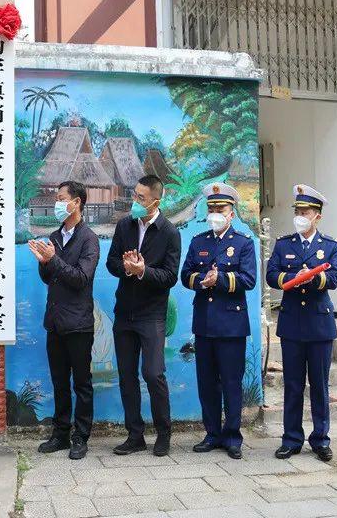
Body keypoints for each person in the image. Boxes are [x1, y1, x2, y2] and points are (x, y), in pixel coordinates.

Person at [106, 175, 181, 457]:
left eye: (140, 198)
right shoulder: (124, 225)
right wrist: (126, 268)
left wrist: (143, 271)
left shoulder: (169, 232)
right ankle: (135, 435)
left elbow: (170, 277)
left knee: (152, 373)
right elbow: (111, 261)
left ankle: (164, 433)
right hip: (124, 311)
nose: (134, 201)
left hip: (152, 314)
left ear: (155, 201)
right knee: (126, 375)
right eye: (134, 195)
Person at [266, 184, 337, 462]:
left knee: (319, 386)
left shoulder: (330, 245)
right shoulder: (284, 243)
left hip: (319, 325)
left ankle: (321, 439)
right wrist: (291, 277)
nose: (300, 215)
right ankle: (291, 438)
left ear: (317, 216)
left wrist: (314, 277)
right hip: (292, 325)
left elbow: (334, 278)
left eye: (305, 211)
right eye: (297, 211)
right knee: (293, 385)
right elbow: (272, 275)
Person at [181, 183, 256, 460]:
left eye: (220, 208)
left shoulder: (243, 243)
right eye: (211, 208)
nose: (214, 213)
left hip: (231, 326)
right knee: (207, 382)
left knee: (231, 382)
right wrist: (202, 280)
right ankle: (212, 433)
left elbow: (248, 279)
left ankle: (232, 436)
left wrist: (221, 280)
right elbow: (186, 275)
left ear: (231, 213)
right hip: (204, 325)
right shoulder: (199, 241)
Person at [29, 181, 99, 460]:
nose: (57, 203)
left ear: (77, 202)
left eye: (61, 198)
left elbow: (81, 279)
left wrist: (53, 260)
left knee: (81, 382)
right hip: (55, 322)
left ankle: (80, 436)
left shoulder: (89, 239)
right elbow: (50, 278)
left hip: (79, 324)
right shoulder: (55, 235)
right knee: (59, 382)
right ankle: (60, 433)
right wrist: (44, 263)